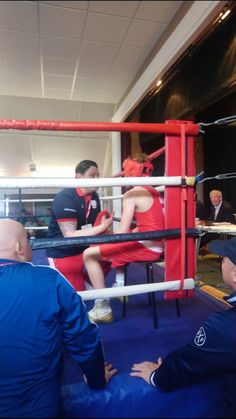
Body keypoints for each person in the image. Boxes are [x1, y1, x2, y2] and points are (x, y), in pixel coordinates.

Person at [0, 219, 117, 418]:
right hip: (37, 407)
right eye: (29, 241)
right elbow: (83, 340)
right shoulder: (48, 279)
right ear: (19, 248)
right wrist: (96, 379)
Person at [130, 235, 236, 417]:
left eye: (224, 258)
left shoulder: (224, 326)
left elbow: (187, 362)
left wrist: (157, 376)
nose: (221, 262)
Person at [83, 153, 164, 324]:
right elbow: (149, 224)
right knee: (112, 244)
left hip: (145, 249)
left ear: (131, 170)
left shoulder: (132, 194)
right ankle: (119, 287)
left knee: (89, 254)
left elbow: (123, 233)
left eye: (125, 170)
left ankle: (102, 306)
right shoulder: (154, 191)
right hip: (158, 245)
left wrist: (106, 236)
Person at [46, 160, 113, 291]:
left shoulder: (94, 196)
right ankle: (84, 285)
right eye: (92, 175)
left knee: (113, 254)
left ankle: (93, 283)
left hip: (84, 248)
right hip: (63, 251)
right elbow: (69, 235)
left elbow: (93, 224)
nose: (96, 179)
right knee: (75, 294)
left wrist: (103, 229)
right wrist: (102, 227)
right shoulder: (65, 197)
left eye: (97, 176)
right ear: (79, 176)